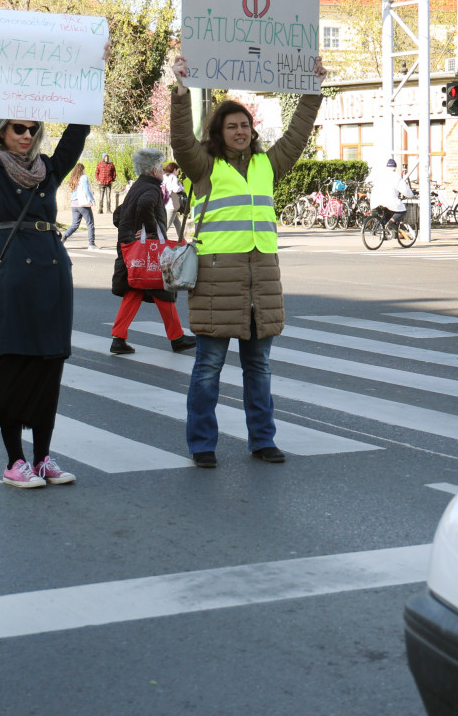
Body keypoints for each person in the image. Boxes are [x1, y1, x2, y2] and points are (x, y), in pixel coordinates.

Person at [0, 30, 103, 489]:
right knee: (15, 365)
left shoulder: (48, 171)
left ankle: (42, 459)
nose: (28, 134)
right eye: (19, 127)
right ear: (3, 131)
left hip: (53, 275)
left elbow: (78, 132)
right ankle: (14, 461)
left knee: (48, 367)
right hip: (14, 274)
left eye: (34, 128)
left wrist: (94, 70)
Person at [170, 52, 328, 469]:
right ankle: (202, 444)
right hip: (216, 283)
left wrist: (312, 90)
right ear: (219, 133)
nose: (241, 131)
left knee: (259, 369)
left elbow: (297, 133)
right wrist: (181, 92)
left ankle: (263, 440)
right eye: (232, 126)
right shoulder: (203, 165)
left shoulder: (266, 165)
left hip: (261, 283)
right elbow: (182, 140)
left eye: (246, 126)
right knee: (208, 369)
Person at [110, 148, 198, 356]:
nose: (162, 170)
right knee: (161, 288)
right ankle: (177, 338)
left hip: (131, 249)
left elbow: (118, 214)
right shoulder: (151, 189)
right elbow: (145, 205)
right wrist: (149, 230)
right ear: (152, 169)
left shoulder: (137, 186)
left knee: (135, 289)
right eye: (159, 166)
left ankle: (119, 337)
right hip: (146, 249)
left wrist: (128, 228)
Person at [367, 158, 413, 234]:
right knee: (402, 211)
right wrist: (411, 195)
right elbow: (405, 189)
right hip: (389, 201)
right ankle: (390, 224)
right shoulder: (396, 177)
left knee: (385, 213)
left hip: (375, 200)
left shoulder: (380, 175)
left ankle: (383, 234)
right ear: (395, 168)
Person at [62, 163, 97, 250]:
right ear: (82, 170)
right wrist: (92, 200)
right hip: (83, 204)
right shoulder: (83, 177)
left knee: (74, 225)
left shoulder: (73, 179)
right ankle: (91, 244)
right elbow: (86, 190)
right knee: (90, 223)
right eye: (84, 169)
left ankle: (64, 236)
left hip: (74, 204)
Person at [161, 161, 184, 233]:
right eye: (178, 170)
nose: (178, 172)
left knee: (177, 224)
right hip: (172, 204)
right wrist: (181, 187)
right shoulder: (173, 177)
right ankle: (159, 241)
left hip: (165, 203)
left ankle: (182, 240)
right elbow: (175, 189)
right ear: (174, 170)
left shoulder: (164, 176)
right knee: (166, 226)